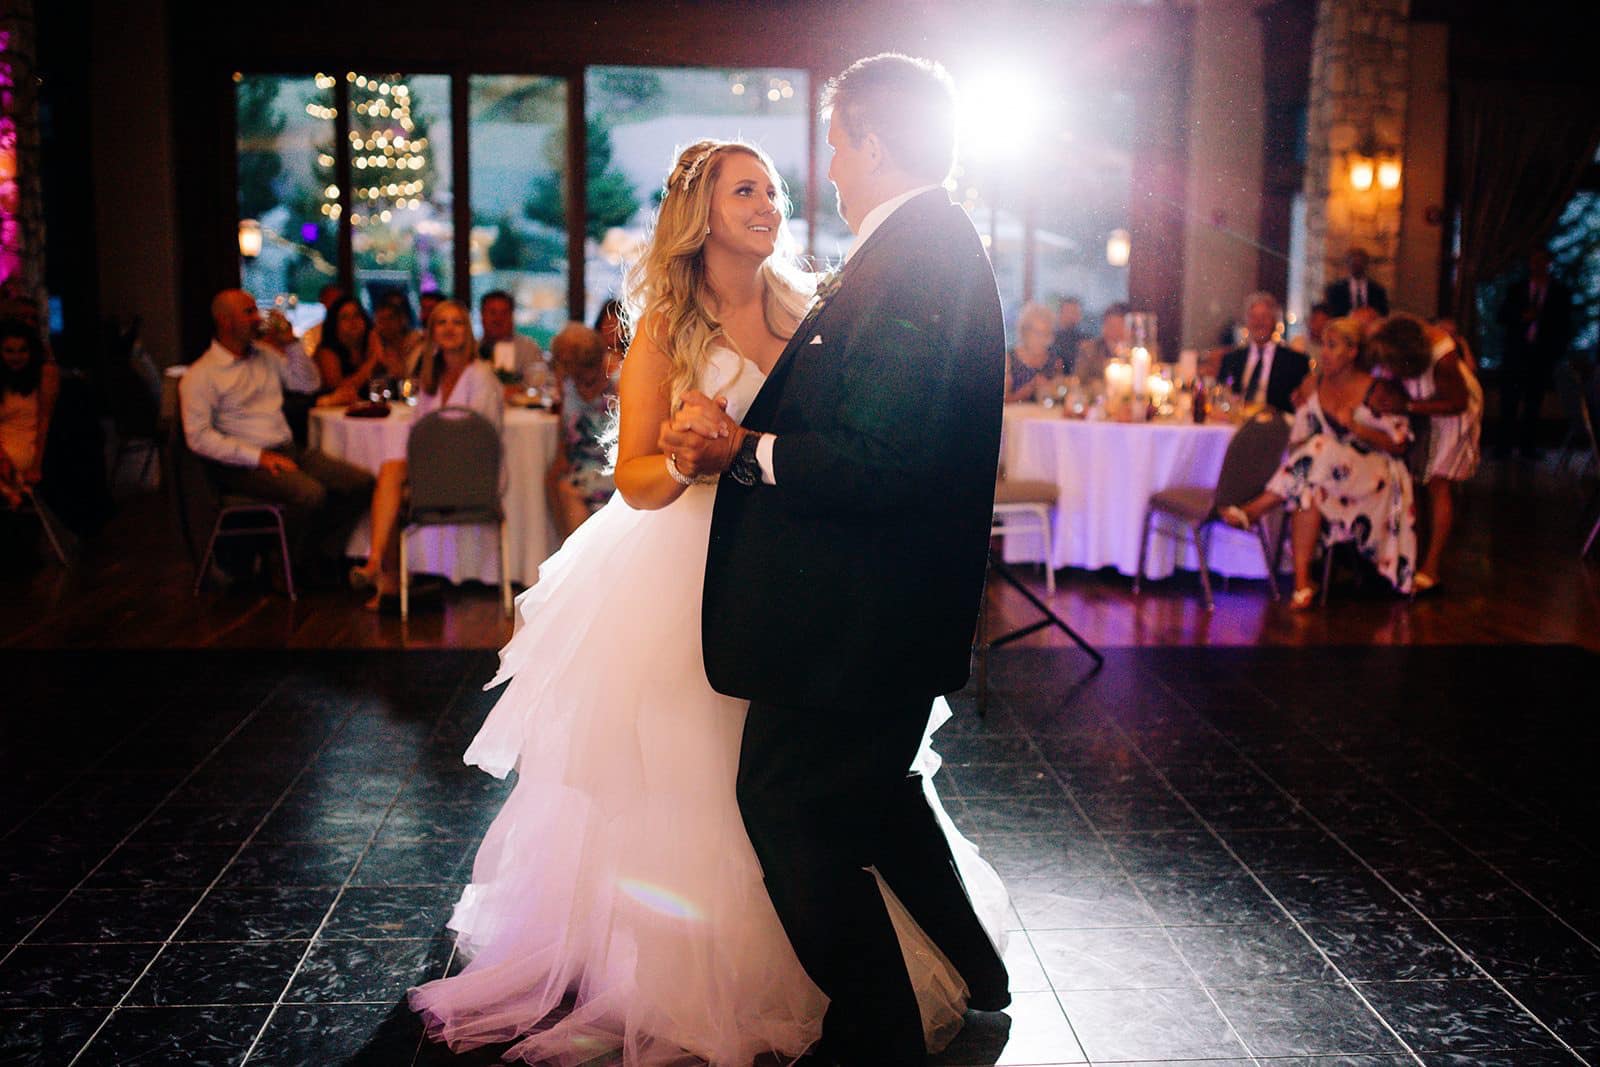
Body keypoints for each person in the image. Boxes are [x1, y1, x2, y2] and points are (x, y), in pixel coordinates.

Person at [408, 136, 1007, 1066]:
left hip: (801, 569)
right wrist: (688, 459)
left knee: (805, 781)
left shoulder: (812, 304)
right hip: (691, 565)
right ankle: (709, 977)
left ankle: (844, 974)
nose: (770, 204)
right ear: (702, 212)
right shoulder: (667, 325)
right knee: (703, 771)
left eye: (772, 188)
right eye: (746, 191)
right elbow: (634, 472)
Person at [662, 55, 1012, 1064]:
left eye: (831, 142)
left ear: (866, 141)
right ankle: (973, 971)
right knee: (876, 794)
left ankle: (874, 1032)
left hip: (859, 612)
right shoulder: (910, 246)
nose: (825, 166)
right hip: (869, 607)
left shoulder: (917, 255)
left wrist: (745, 450)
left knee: (788, 805)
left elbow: (882, 456)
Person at [1223, 316, 1416, 609]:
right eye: (1322, 345)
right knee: (1309, 489)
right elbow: (1299, 443)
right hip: (1326, 474)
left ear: (1352, 352)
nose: (1323, 352)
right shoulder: (1314, 385)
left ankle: (1254, 509)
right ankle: (1302, 585)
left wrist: (1355, 427)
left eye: (1332, 346)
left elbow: (1399, 446)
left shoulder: (1376, 390)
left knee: (1320, 450)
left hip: (1374, 475)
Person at [179, 289, 373, 579]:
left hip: (288, 449)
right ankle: (282, 565)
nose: (258, 318)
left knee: (361, 484)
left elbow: (309, 385)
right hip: (241, 464)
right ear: (225, 321)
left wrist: (292, 344)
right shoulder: (202, 375)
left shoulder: (267, 356)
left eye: (256, 310)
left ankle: (312, 555)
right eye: (249, 312)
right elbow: (198, 438)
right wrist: (258, 457)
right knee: (310, 493)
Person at [347, 299, 502, 610]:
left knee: (391, 477)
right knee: (390, 476)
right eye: (441, 322)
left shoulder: (482, 375)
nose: (449, 329)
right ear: (432, 332)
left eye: (456, 322)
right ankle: (382, 569)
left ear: (467, 331)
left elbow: (482, 437)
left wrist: (429, 455)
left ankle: (381, 571)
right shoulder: (431, 379)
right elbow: (417, 432)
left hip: (471, 474)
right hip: (432, 471)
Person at [1366, 312, 1481, 593]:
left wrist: (1408, 407)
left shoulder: (1443, 357)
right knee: (1414, 478)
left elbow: (1457, 403)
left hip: (1454, 414)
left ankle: (1431, 567)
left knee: (1438, 482)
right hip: (1420, 406)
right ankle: (1410, 555)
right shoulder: (1389, 337)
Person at [544, 322, 618, 540]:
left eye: (587, 370)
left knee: (569, 489)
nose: (581, 379)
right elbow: (563, 440)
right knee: (554, 480)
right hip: (580, 467)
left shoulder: (618, 385)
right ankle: (569, 553)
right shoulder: (567, 387)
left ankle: (580, 557)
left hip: (611, 466)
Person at [1496, 249, 1571, 458]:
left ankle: (1527, 447)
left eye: (1542, 261)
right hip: (1515, 354)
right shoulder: (1517, 289)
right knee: (1509, 402)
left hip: (1540, 356)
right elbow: (1501, 316)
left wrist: (1555, 352)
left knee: (1533, 403)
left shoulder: (1559, 292)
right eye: (1533, 260)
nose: (1537, 265)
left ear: (1548, 263)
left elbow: (1564, 325)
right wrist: (1522, 316)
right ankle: (1504, 447)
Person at [1217, 291, 1309, 413]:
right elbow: (1221, 397)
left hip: (1275, 427)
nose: (1259, 323)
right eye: (1253, 317)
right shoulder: (1231, 359)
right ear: (1247, 322)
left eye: (1264, 317)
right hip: (1238, 423)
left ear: (1275, 321)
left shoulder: (1295, 361)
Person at [0, 319, 58, 510]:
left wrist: (36, 466)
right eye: (9, 351)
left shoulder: (44, 373)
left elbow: (45, 420)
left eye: (22, 350)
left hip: (25, 448)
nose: (16, 357)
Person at [310, 296, 378, 406]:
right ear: (334, 324)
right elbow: (340, 391)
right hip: (333, 415)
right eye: (345, 317)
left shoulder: (371, 344)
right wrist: (373, 360)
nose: (353, 322)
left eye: (356, 315)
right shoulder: (326, 352)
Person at [478, 289, 547, 388]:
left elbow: (537, 384)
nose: (498, 319)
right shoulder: (471, 348)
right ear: (482, 316)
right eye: (492, 313)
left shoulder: (528, 348)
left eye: (504, 313)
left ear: (512, 316)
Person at [1003, 302, 1065, 402]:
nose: (1040, 338)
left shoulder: (1055, 360)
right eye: (1036, 332)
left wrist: (1053, 390)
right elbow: (1003, 402)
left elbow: (1061, 398)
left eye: (1045, 333)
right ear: (1024, 332)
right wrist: (1030, 388)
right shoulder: (1009, 359)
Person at [371, 290, 428, 378]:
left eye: (389, 318)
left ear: (402, 319)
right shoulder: (377, 345)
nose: (385, 325)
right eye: (380, 321)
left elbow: (402, 375)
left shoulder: (420, 345)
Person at [1323, 247, 1390, 317]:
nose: (1357, 267)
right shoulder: (1336, 289)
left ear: (1366, 264)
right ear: (1348, 264)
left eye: (1360, 263)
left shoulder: (1378, 290)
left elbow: (1383, 314)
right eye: (1354, 264)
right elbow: (1332, 314)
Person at [1075, 300, 1130, 384]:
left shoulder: (1135, 352)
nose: (1116, 331)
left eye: (1120, 325)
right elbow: (1080, 380)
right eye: (1111, 325)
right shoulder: (1089, 350)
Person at [297, 282, 346, 357]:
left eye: (339, 300)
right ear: (322, 301)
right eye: (331, 299)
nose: (336, 304)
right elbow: (309, 359)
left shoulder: (357, 328)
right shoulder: (313, 333)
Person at [1048, 295, 1085, 370]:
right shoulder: (1049, 338)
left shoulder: (1084, 339)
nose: (1072, 316)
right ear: (1060, 314)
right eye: (1069, 312)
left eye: (1076, 312)